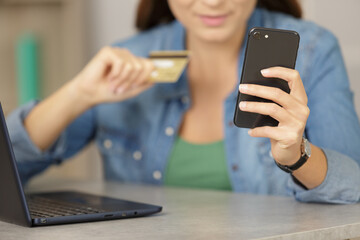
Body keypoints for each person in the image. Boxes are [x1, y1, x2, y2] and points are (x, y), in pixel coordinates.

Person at [7, 0, 360, 203]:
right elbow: (9, 170)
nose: (212, 2)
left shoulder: (313, 51)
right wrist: (78, 93)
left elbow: (353, 191)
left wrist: (297, 157)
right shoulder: (130, 57)